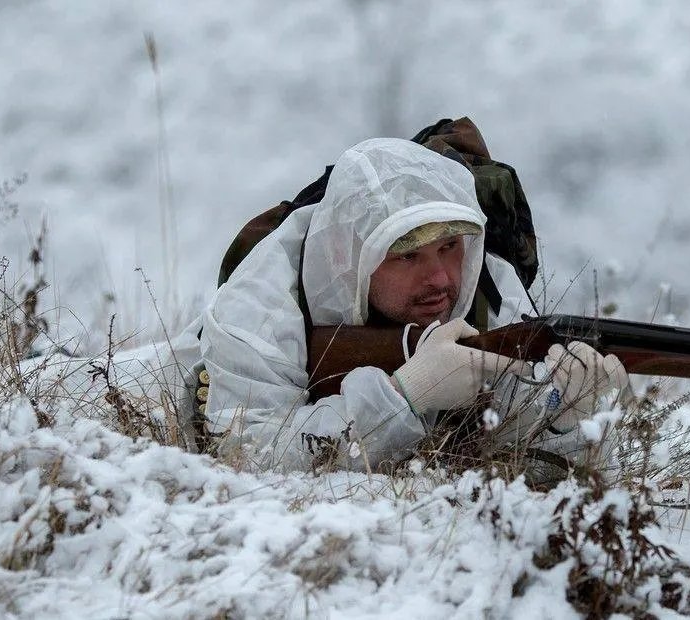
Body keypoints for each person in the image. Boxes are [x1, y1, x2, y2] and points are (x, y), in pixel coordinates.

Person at [199, 136, 629, 471]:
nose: (440, 278)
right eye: (407, 256)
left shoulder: (489, 289)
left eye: (449, 247)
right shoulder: (259, 306)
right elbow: (249, 455)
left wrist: (567, 422)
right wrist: (404, 395)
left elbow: (525, 460)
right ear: (350, 256)